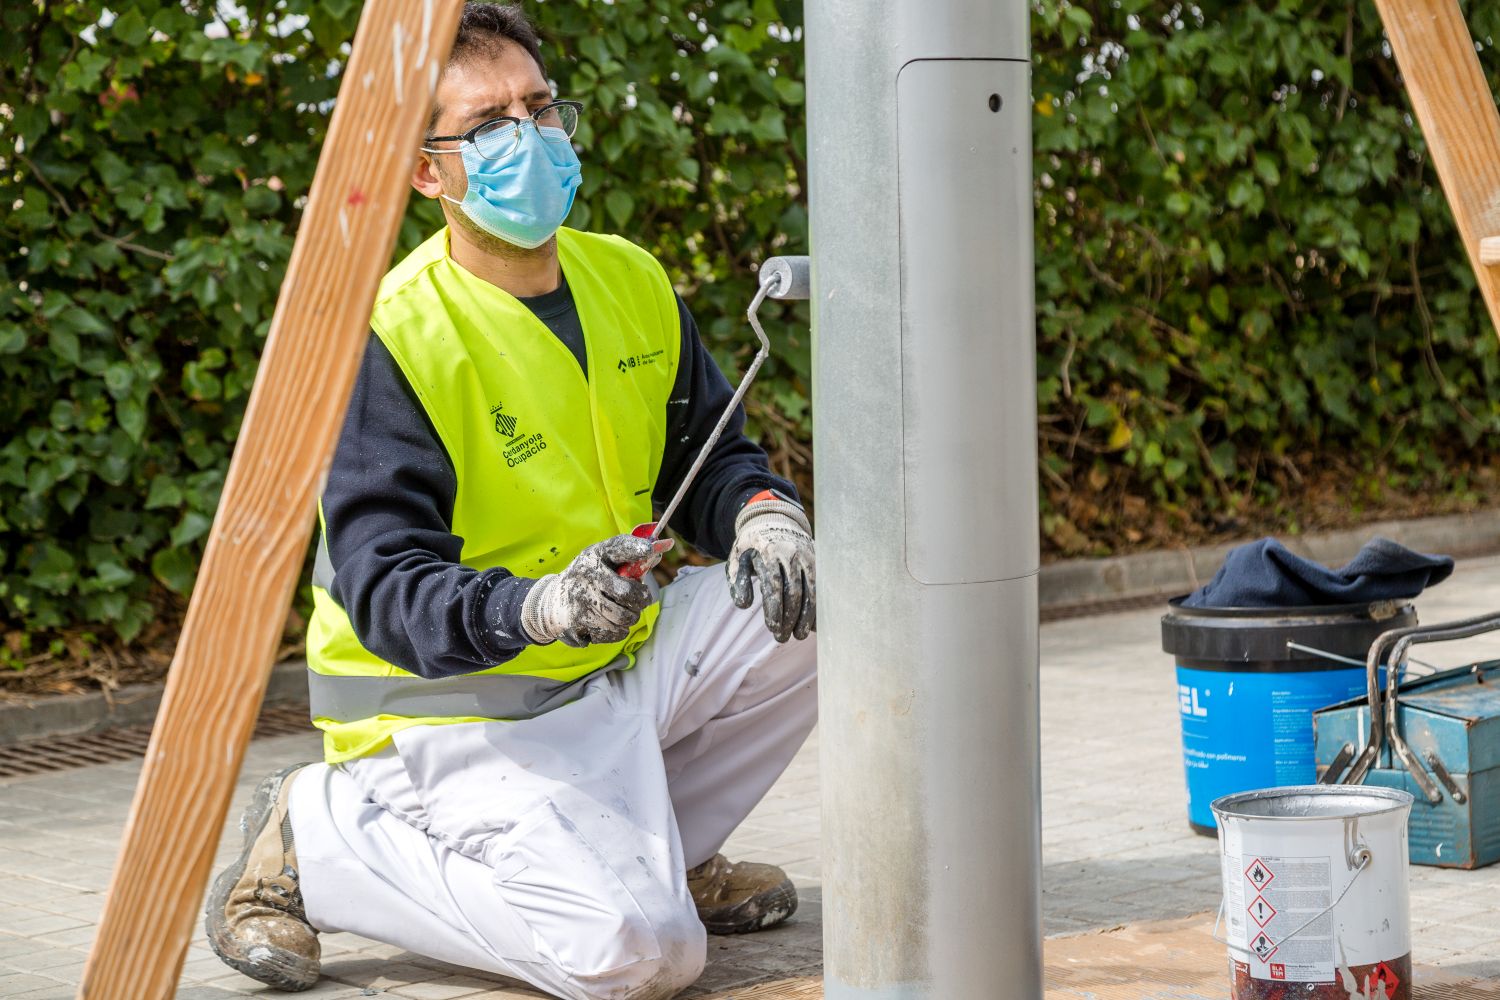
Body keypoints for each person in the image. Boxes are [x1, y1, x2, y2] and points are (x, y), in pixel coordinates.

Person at [202, 5, 817, 998]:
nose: (526, 139)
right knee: (640, 956)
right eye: (488, 125)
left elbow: (707, 459)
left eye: (539, 108)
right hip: (446, 712)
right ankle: (319, 834)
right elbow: (385, 585)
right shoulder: (393, 334)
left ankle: (655, 845)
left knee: (828, 605)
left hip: (600, 663)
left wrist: (762, 511)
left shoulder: (629, 279)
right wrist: (530, 605)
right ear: (426, 171)